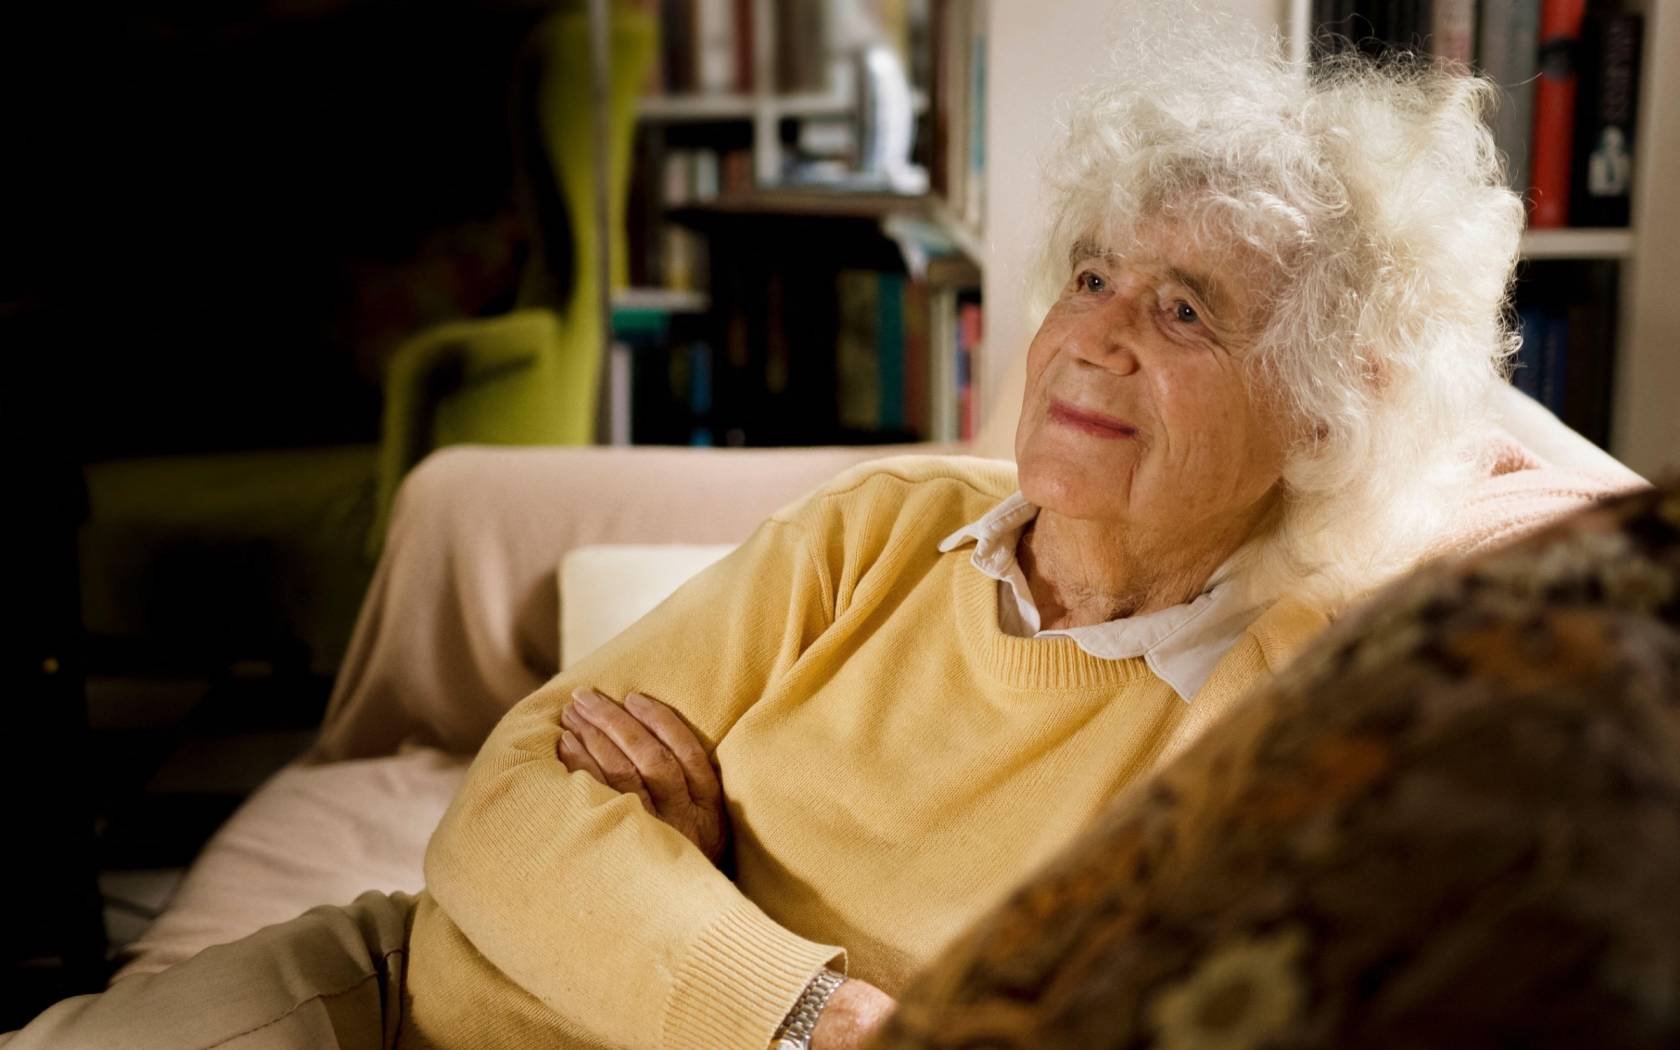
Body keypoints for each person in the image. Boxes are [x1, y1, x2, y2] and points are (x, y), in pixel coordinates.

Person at [6, 14, 1560, 1050]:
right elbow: (504, 810)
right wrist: (806, 1008)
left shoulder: (1277, 705)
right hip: (402, 990)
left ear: (1319, 409)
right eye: (1091, 274)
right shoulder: (887, 530)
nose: (1095, 337)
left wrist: (700, 889)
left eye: (1184, 309)